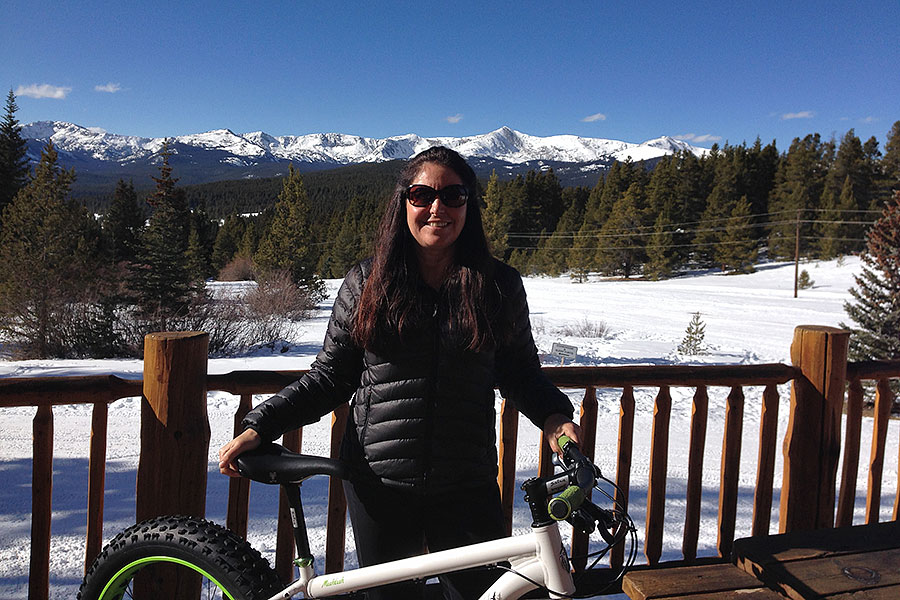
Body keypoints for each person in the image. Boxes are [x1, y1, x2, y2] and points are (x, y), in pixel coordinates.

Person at [219, 146, 581, 599]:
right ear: (402, 203)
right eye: (422, 194)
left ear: (469, 205)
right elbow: (330, 376)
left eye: (453, 196)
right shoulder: (367, 283)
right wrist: (261, 424)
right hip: (379, 484)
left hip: (466, 483)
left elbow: (521, 374)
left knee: (484, 594)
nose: (437, 208)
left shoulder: (498, 286)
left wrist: (554, 416)